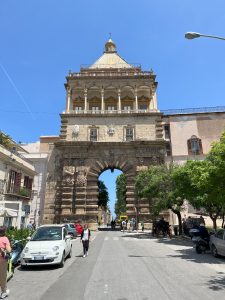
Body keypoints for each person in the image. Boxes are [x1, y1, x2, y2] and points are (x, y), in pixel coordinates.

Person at [0, 227, 11, 299]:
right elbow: (9, 250)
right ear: (4, 232)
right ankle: (3, 292)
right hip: (2, 260)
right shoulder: (5, 239)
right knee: (3, 276)